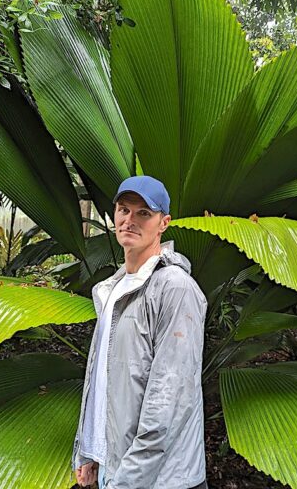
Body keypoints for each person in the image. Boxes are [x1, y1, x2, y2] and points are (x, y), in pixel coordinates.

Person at [72, 175, 208, 489]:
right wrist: (91, 452)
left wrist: (128, 480)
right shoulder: (113, 289)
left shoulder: (175, 288)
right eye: (123, 210)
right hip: (116, 467)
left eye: (144, 213)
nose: (130, 220)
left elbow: (168, 400)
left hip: (160, 479)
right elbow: (105, 381)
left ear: (164, 223)